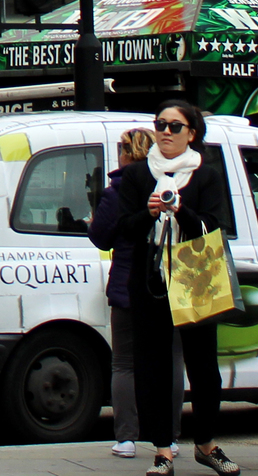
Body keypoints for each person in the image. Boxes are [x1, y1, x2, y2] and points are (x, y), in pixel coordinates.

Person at [107, 102, 234, 476]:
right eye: (160, 124)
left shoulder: (206, 175)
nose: (165, 131)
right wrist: (147, 213)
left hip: (195, 271)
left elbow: (213, 226)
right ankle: (162, 450)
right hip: (151, 276)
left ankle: (207, 443)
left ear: (192, 133)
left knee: (203, 364)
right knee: (152, 365)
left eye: (175, 126)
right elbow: (122, 230)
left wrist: (181, 212)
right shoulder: (136, 176)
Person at [91, 126, 179, 459]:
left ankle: (127, 437)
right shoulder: (171, 183)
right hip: (170, 280)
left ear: (125, 152)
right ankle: (169, 437)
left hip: (129, 282)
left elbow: (101, 236)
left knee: (125, 363)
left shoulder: (118, 189)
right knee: (171, 359)